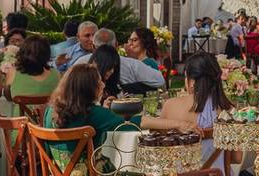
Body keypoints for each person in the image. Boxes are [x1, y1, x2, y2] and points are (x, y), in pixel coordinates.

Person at [44, 65, 192, 170]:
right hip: (91, 171)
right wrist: (178, 123)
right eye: (98, 83)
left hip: (56, 170)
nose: (102, 85)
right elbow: (137, 121)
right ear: (87, 89)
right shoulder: (92, 113)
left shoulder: (50, 110)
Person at [159, 52, 233, 167]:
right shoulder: (228, 110)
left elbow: (160, 153)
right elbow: (236, 158)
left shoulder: (170, 106)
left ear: (192, 82)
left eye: (185, 76)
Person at [73, 29, 165, 91]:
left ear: (93, 46)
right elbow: (159, 81)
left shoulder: (80, 63)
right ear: (116, 45)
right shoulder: (131, 64)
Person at [0, 34, 59, 116]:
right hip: (46, 126)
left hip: (20, 126)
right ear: (47, 53)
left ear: (23, 52)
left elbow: (8, 97)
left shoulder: (13, 72)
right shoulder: (56, 75)